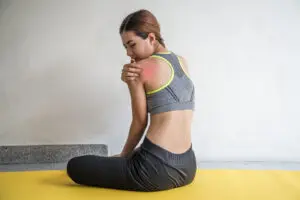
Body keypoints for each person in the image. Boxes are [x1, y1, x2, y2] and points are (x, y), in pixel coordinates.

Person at [66, 9, 197, 192]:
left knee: (75, 166)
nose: (129, 53)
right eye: (125, 47)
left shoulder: (140, 69)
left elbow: (140, 122)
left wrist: (124, 156)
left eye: (132, 45)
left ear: (151, 38)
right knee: (132, 155)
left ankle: (126, 158)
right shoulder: (182, 62)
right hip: (189, 165)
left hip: (155, 171)